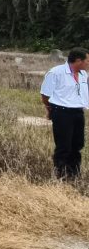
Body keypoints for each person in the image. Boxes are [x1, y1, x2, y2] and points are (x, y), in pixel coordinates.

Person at [40, 48, 88, 180]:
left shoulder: (84, 74)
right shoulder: (56, 73)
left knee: (77, 145)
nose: (88, 63)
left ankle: (74, 175)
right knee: (64, 146)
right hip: (62, 113)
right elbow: (45, 94)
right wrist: (50, 109)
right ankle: (60, 175)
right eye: (87, 60)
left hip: (78, 112)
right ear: (78, 60)